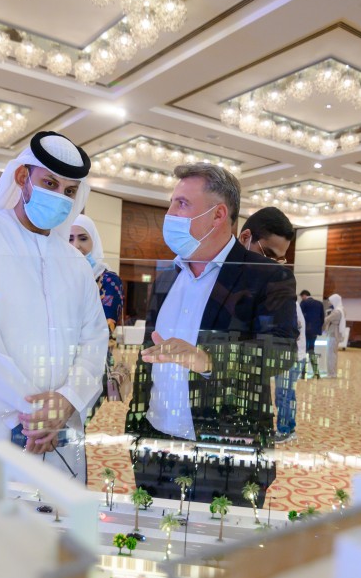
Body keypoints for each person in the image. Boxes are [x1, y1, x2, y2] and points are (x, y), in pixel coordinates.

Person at [0, 131, 108, 480]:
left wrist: (69, 399)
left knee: (57, 510)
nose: (60, 197)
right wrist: (33, 412)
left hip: (60, 427)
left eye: (70, 191)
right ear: (22, 176)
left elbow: (95, 338)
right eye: (50, 184)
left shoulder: (75, 262)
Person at [126, 163, 298, 448]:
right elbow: (150, 352)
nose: (169, 214)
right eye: (172, 203)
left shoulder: (266, 275)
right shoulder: (166, 277)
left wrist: (207, 359)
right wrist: (138, 422)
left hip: (224, 445)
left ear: (218, 214)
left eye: (182, 204)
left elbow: (282, 352)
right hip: (154, 438)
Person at [238, 206, 301, 441]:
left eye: (279, 259)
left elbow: (281, 345)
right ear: (245, 238)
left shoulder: (277, 286)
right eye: (269, 254)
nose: (274, 265)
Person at [69, 214, 125, 356]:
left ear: (94, 241)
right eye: (70, 239)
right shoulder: (60, 277)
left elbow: (104, 328)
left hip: (94, 357)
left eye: (83, 238)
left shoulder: (109, 280)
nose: (75, 245)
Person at [299, 290, 324, 379]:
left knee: (304, 351)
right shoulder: (319, 304)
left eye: (301, 297)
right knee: (311, 349)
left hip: (305, 331)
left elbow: (300, 318)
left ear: (304, 295)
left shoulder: (303, 303)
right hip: (314, 332)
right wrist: (317, 329)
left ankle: (303, 373)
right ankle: (316, 373)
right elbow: (322, 319)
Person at [322, 293, 345, 378]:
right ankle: (333, 372)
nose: (329, 302)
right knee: (334, 354)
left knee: (331, 354)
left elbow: (327, 319)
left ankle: (331, 373)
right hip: (336, 333)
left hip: (333, 334)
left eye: (330, 301)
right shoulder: (342, 309)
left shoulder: (336, 312)